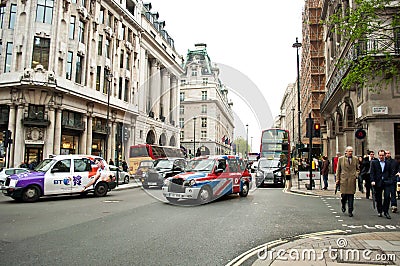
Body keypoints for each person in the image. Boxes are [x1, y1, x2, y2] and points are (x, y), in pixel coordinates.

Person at [370, 150, 395, 219]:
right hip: (378, 182)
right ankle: (380, 210)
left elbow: (391, 172)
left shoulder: (388, 163)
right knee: (379, 198)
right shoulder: (374, 163)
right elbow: (372, 173)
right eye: (380, 155)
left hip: (386, 182)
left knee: (387, 197)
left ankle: (386, 211)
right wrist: (372, 180)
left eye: (382, 155)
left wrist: (391, 180)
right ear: (378, 155)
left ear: (384, 155)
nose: (381, 157)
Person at [336, 146, 360, 217]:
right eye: (349, 151)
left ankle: (350, 210)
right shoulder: (341, 159)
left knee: (351, 196)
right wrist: (337, 179)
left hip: (352, 180)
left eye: (351, 151)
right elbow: (338, 170)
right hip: (343, 180)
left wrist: (356, 175)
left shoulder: (355, 159)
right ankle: (343, 204)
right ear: (346, 152)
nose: (350, 153)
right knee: (344, 196)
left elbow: (358, 169)